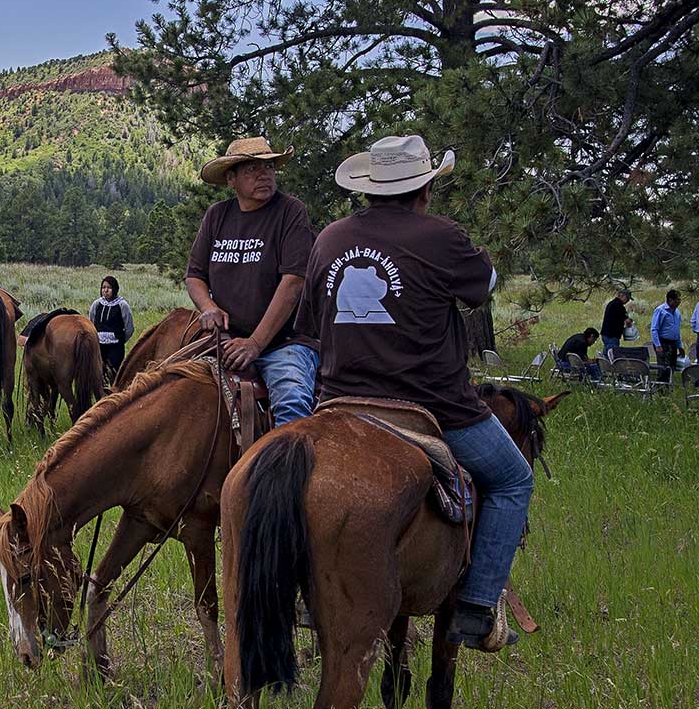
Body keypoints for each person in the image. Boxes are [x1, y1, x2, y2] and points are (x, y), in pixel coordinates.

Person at [297, 133, 524, 652]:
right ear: (424, 189)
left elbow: (310, 321)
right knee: (513, 481)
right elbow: (484, 288)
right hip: (434, 405)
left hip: (338, 403)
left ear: (370, 188)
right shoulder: (441, 236)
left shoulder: (329, 239)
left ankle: (306, 592)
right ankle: (477, 607)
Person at [186, 136, 319, 427]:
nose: (264, 175)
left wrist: (256, 344)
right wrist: (208, 307)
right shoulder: (217, 216)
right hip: (226, 340)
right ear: (231, 179)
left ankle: (290, 471)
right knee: (173, 391)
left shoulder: (290, 211)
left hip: (284, 344)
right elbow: (195, 275)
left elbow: (294, 282)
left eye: (269, 167)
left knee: (291, 401)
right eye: (252, 169)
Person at [90, 275, 134, 384]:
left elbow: (129, 328)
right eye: (103, 287)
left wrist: (120, 341)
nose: (106, 290)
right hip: (99, 346)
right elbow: (91, 323)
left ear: (114, 289)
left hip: (115, 347)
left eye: (109, 288)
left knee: (114, 376)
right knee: (98, 374)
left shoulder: (122, 305)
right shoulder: (97, 304)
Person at [650, 290, 684, 380]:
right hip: (663, 342)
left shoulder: (677, 313)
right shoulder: (660, 311)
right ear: (670, 300)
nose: (679, 302)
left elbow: (677, 330)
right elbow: (654, 329)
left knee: (672, 365)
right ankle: (661, 387)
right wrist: (658, 345)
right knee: (663, 366)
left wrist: (680, 346)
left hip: (673, 343)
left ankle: (669, 384)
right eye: (677, 300)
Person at [600, 289, 633, 357]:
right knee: (612, 356)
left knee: (606, 355)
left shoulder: (611, 303)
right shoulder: (619, 306)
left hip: (605, 334)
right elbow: (627, 321)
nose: (628, 301)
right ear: (622, 296)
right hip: (612, 335)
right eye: (627, 298)